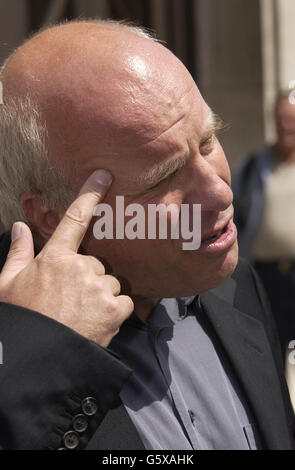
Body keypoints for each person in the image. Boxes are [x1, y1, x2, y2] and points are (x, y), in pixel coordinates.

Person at [0, 19, 294, 451]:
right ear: (52, 216)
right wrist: (43, 360)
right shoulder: (18, 359)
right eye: (165, 176)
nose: (219, 190)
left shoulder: (234, 287)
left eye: (209, 140)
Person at [232, 93, 295, 357]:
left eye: (291, 119)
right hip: (267, 277)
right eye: (281, 119)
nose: (286, 126)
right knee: (270, 353)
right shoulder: (253, 167)